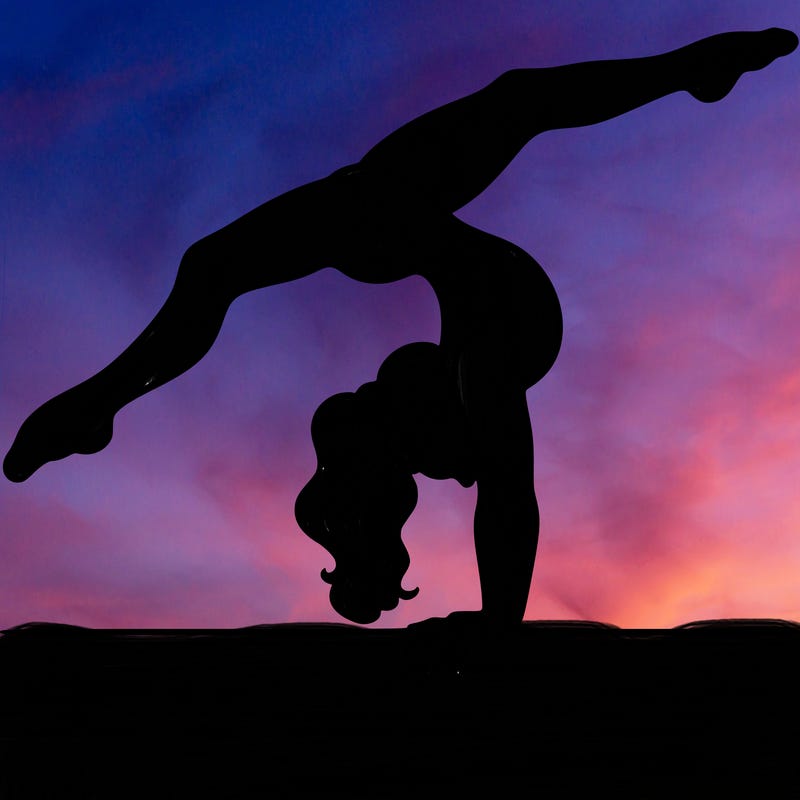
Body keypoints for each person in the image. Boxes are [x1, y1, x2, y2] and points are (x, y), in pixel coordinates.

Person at [4, 29, 797, 625]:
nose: (383, 379)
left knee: (220, 263)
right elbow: (511, 503)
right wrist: (497, 628)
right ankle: (691, 72)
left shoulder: (416, 391)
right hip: (498, 291)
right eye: (394, 400)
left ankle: (96, 407)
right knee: (508, 107)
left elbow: (465, 488)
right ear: (435, 442)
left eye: (386, 396)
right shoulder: (483, 365)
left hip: (394, 229)